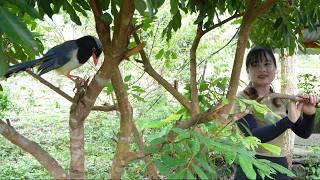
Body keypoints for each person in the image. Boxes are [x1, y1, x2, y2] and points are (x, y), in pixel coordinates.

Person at [233, 46, 318, 180]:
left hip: (279, 166)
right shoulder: (242, 99)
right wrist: (288, 121)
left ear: (275, 69)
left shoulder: (281, 100)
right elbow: (253, 136)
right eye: (255, 65)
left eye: (267, 64)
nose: (262, 69)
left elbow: (303, 132)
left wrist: (309, 114)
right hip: (249, 165)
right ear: (248, 71)